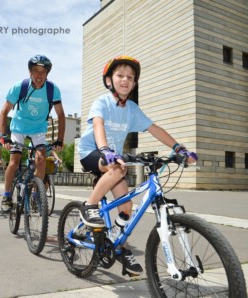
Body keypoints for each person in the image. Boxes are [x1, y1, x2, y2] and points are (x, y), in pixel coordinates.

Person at [78, 55, 197, 276]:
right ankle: (89, 205)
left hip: (113, 158)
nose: (125, 80)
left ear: (134, 83)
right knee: (118, 169)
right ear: (109, 81)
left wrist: (178, 148)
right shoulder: (102, 102)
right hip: (92, 153)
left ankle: (117, 245)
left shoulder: (132, 109)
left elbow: (155, 129)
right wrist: (104, 149)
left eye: (130, 77)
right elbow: (98, 125)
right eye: (120, 75)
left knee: (126, 207)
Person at [0, 54, 66, 213]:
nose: (39, 75)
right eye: (35, 70)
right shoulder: (20, 87)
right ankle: (6, 194)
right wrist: (4, 137)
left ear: (47, 73)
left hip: (39, 130)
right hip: (19, 128)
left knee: (41, 160)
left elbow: (61, 115)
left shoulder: (52, 89)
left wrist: (60, 140)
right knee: (14, 161)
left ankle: (36, 194)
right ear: (30, 72)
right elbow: (3, 112)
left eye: (43, 71)